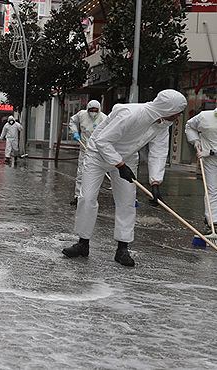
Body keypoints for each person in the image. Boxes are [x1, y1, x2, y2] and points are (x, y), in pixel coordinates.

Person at [63, 89, 187, 267]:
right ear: (167, 108)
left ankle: (122, 248)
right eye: (177, 113)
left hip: (128, 157)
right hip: (97, 155)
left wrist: (155, 182)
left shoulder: (163, 122)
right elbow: (103, 141)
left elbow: (159, 151)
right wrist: (119, 165)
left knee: (127, 202)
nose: (178, 117)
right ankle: (83, 243)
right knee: (87, 198)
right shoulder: (131, 114)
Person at [68, 100, 108, 206]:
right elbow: (72, 121)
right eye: (91, 110)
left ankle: (90, 197)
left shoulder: (104, 118)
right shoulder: (81, 115)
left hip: (97, 152)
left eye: (95, 110)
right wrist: (75, 132)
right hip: (84, 150)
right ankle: (77, 196)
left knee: (95, 175)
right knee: (81, 173)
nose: (93, 112)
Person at [185, 108, 217, 233]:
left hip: (209, 154)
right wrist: (195, 141)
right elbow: (189, 126)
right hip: (209, 160)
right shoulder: (204, 116)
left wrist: (210, 152)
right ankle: (213, 222)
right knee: (212, 190)